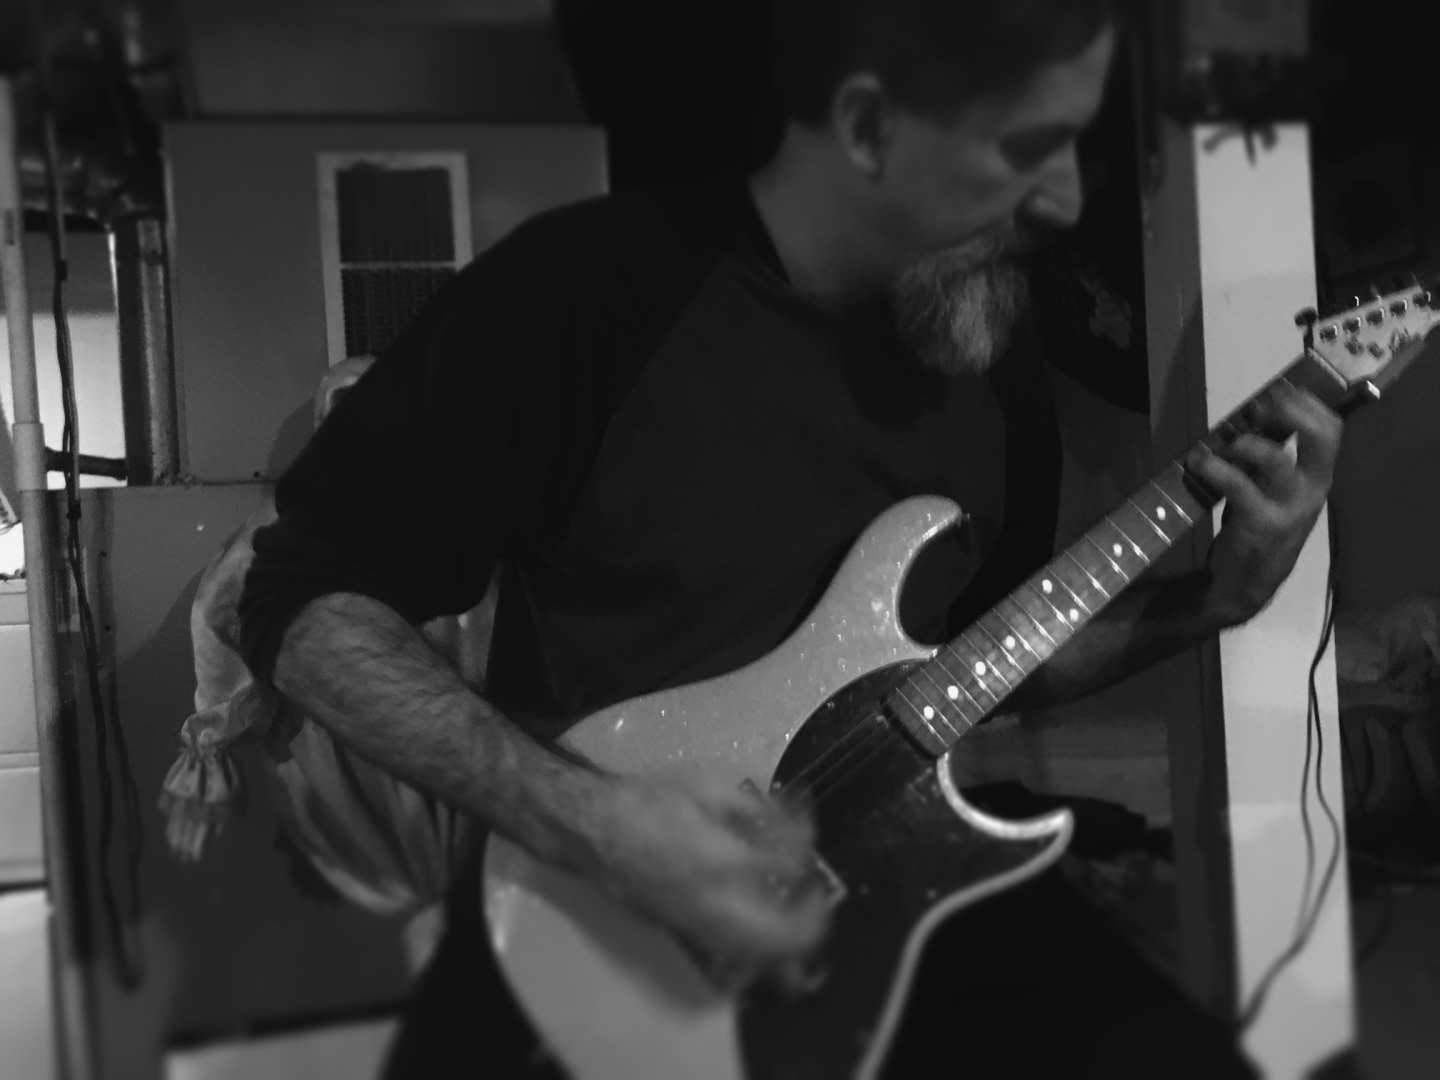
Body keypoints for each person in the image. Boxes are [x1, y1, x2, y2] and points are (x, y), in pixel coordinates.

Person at [237, 1, 1342, 1075]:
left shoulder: (992, 360)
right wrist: (593, 825)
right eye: (1025, 147)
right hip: (590, 920)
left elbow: (979, 666)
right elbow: (304, 605)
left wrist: (1216, 599)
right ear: (866, 127)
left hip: (882, 898)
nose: (1065, 199)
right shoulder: (584, 291)